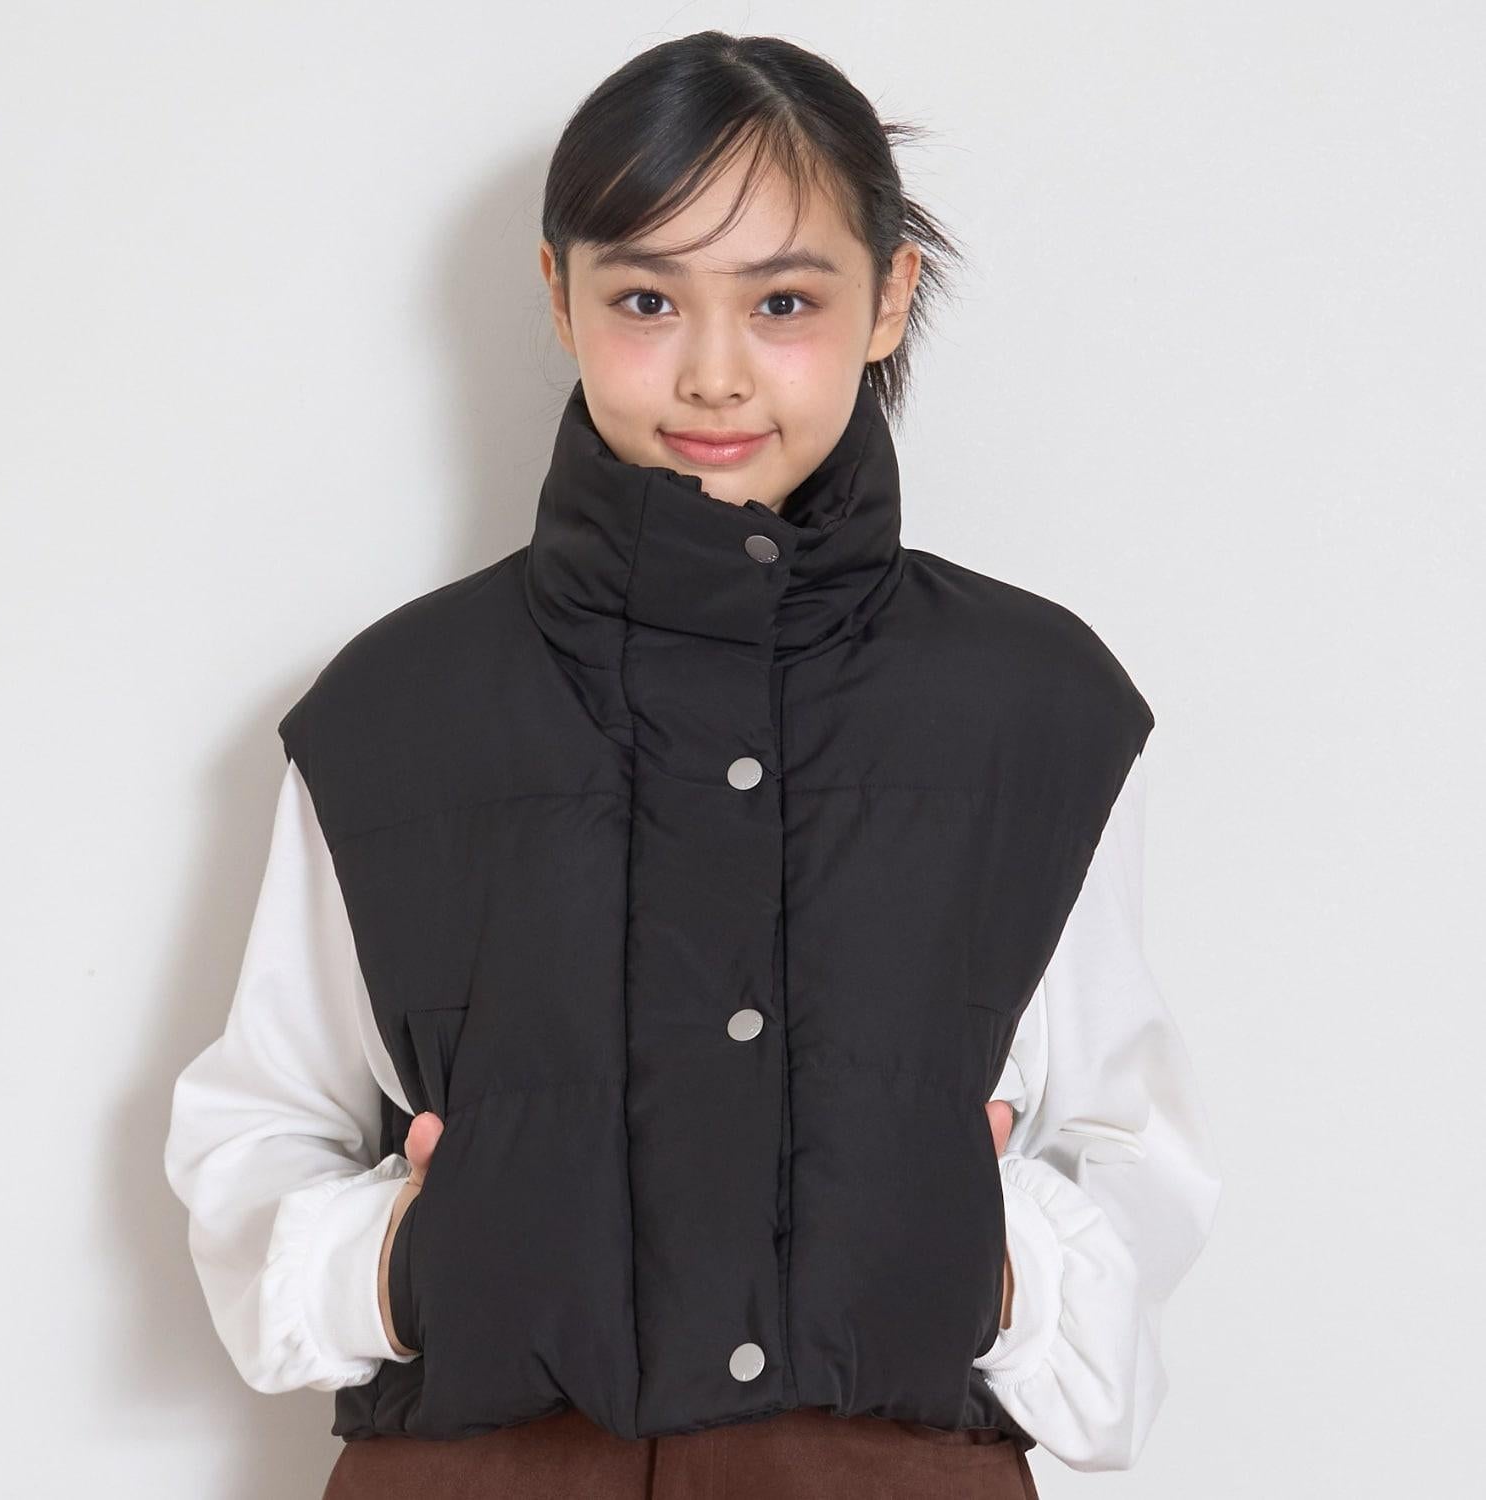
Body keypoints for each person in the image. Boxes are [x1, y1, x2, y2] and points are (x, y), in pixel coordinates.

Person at [164, 29, 1221, 1499]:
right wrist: (402, 1260)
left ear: (887, 297)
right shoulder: (396, 711)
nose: (714, 373)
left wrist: (993, 1265)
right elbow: (259, 1131)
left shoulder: (1038, 709)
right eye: (647, 299)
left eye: (784, 300)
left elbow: (1129, 1149)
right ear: (561, 296)